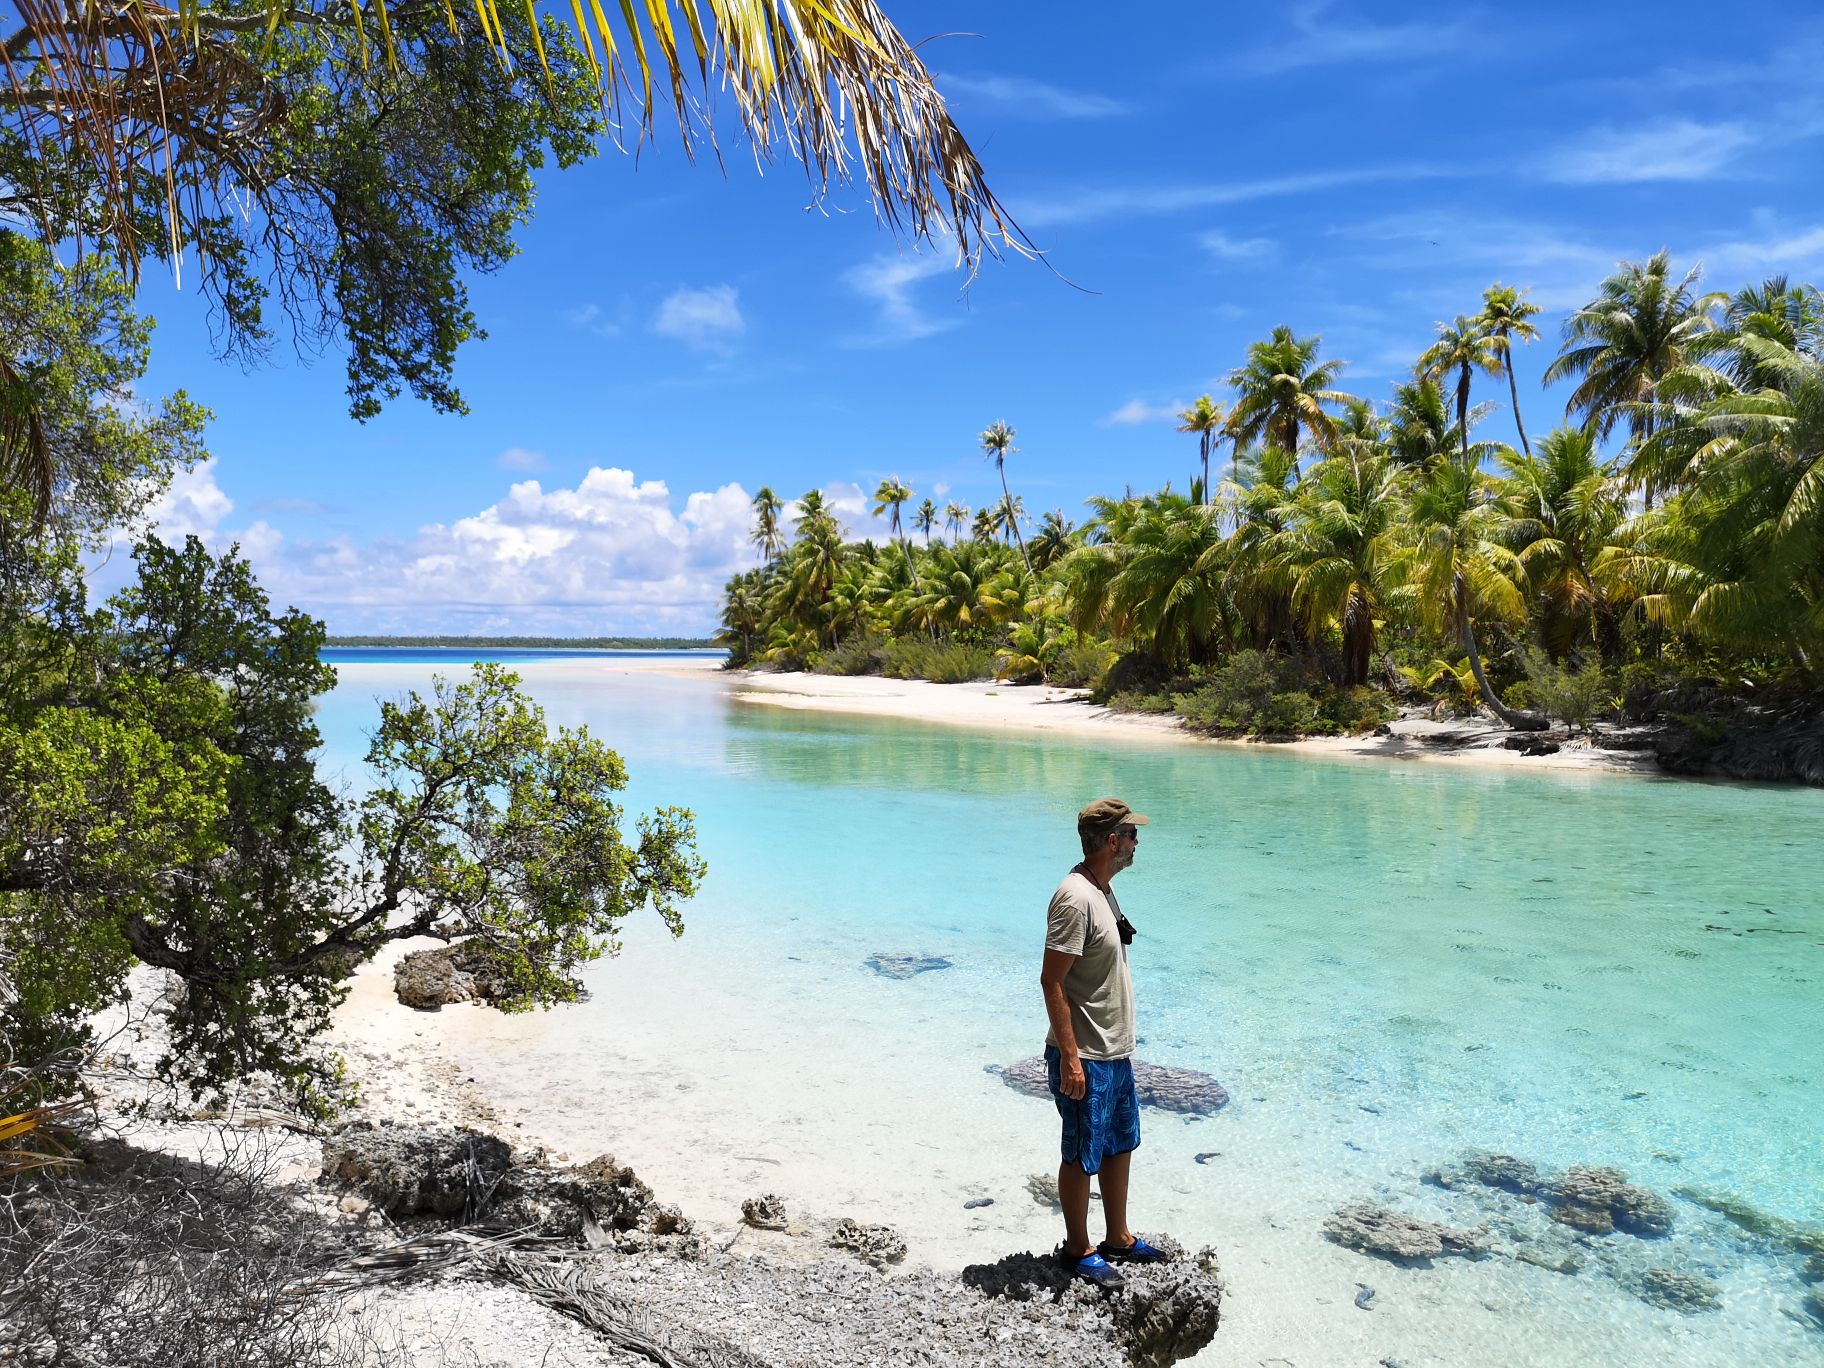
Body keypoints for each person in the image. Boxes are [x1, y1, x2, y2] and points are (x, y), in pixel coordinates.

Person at [1039, 796, 1168, 1287]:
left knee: (1119, 1144)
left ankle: (1118, 1237)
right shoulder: (1074, 897)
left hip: (1114, 1051)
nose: (1137, 843)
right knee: (1081, 1151)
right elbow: (1052, 981)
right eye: (1132, 835)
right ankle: (1077, 1248)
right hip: (1086, 1055)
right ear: (1112, 842)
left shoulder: (1100, 888)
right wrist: (1069, 1057)